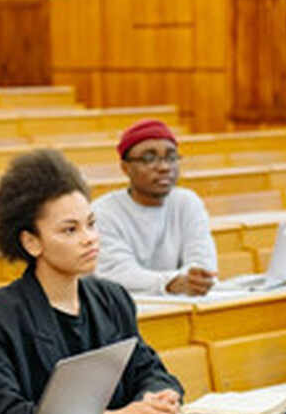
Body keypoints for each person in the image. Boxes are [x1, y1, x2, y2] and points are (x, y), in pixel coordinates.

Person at [0, 148, 184, 414]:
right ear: (31, 242)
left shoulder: (112, 298)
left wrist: (157, 401)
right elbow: (1, 411)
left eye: (91, 224)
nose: (89, 239)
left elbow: (150, 370)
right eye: (70, 230)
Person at [91, 118, 218, 295]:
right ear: (125, 168)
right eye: (149, 158)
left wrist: (192, 281)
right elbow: (118, 273)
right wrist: (171, 283)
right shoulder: (103, 212)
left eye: (171, 157)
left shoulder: (187, 202)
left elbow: (203, 264)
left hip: (185, 302)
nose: (164, 167)